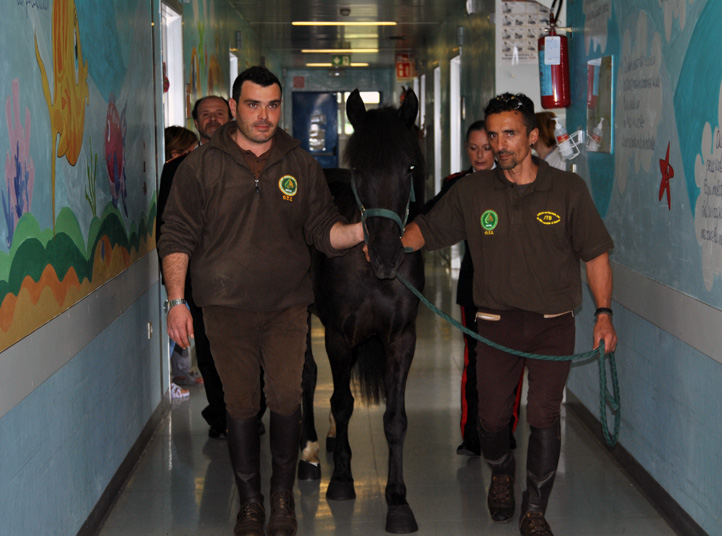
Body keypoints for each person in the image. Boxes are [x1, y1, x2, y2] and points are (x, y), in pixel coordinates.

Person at [158, 66, 364, 536]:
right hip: (225, 306)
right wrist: (176, 301)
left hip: (287, 305)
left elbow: (322, 228)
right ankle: (251, 503)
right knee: (242, 403)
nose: (264, 116)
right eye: (253, 105)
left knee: (287, 398)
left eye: (272, 105)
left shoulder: (300, 164)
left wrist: (358, 232)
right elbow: (177, 234)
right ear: (234, 108)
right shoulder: (202, 166)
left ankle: (282, 498)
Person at [400, 93, 617, 536]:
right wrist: (393, 244)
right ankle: (501, 473)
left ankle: (534, 508)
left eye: (510, 134)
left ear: (532, 136)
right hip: (496, 326)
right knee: (493, 419)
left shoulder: (567, 190)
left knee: (543, 415)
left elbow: (595, 255)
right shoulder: (474, 191)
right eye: (494, 135)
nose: (500, 145)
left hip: (553, 324)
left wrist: (604, 313)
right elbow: (429, 228)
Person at [422, 121, 522, 457]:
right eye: (473, 148)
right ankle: (472, 433)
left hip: (514, 289)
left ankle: (505, 430)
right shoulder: (457, 185)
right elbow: (426, 218)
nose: (480, 155)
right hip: (474, 289)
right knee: (476, 361)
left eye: (486, 147)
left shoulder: (516, 180)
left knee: (510, 360)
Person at [158, 114, 238, 440]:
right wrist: (176, 294)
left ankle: (245, 412)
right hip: (199, 281)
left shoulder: (246, 166)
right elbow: (168, 230)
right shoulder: (177, 172)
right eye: (205, 114)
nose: (213, 119)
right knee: (206, 347)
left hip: (244, 283)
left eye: (219, 112)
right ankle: (222, 414)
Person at [161, 127, 201, 392]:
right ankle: (176, 376)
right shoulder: (172, 179)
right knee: (180, 322)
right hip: (179, 271)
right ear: (176, 155)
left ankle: (182, 372)